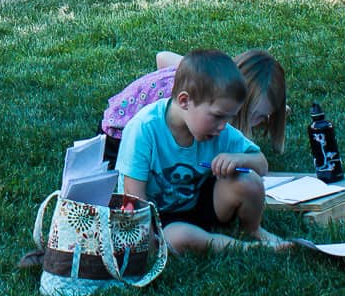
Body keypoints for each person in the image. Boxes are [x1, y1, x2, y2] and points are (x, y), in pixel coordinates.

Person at [114, 49, 289, 254]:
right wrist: (146, 239)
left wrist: (238, 159)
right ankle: (245, 248)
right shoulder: (144, 129)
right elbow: (134, 198)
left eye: (229, 117)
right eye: (218, 116)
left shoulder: (220, 130)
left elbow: (261, 164)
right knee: (179, 237)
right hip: (159, 219)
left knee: (249, 181)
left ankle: (253, 229)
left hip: (199, 204)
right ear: (184, 101)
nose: (224, 126)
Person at [100, 46, 287, 166]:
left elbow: (163, 57)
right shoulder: (190, 105)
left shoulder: (207, 80)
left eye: (264, 116)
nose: (257, 122)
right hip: (117, 134)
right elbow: (162, 56)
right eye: (255, 115)